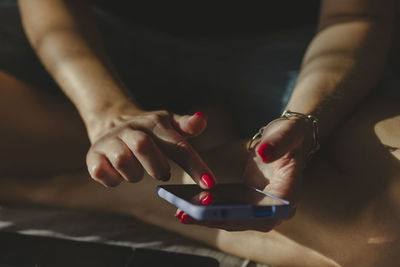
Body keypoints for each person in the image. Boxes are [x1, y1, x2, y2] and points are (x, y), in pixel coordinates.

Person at [0, 0, 399, 265]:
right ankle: (169, 157)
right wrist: (107, 114)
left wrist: (305, 123)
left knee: (386, 232)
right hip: (98, 45)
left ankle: (105, 184)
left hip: (307, 60)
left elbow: (355, 15)